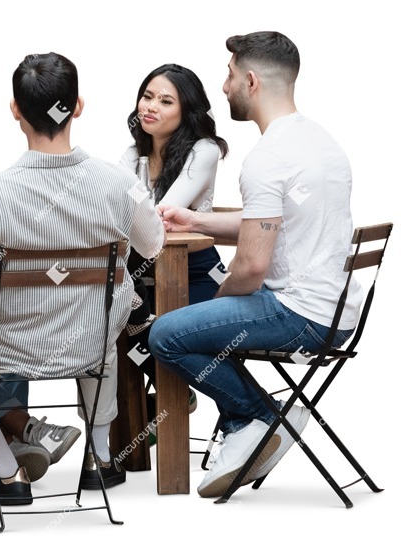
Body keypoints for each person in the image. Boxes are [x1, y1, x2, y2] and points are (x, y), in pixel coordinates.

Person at [0, 52, 166, 505]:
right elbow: (152, 245)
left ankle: (4, 471)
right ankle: (99, 459)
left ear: (15, 110)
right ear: (77, 106)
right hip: (89, 343)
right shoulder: (119, 183)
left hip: (9, 347)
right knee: (104, 314)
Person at [149, 31, 362, 498]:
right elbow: (273, 222)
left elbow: (250, 267)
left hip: (299, 315)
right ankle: (260, 419)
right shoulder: (320, 141)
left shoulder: (268, 158)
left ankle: (259, 416)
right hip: (336, 314)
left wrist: (211, 310)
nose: (223, 87)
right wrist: (197, 218)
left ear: (250, 81)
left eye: (228, 76)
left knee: (166, 333)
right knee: (187, 325)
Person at [119, 63, 229, 439]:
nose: (150, 106)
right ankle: (173, 396)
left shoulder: (204, 150)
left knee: (151, 327)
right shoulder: (133, 154)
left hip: (196, 274)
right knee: (118, 313)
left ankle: (179, 396)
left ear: (186, 111)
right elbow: (114, 211)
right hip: (144, 274)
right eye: (147, 96)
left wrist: (128, 213)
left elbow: (161, 217)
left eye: (166, 101)